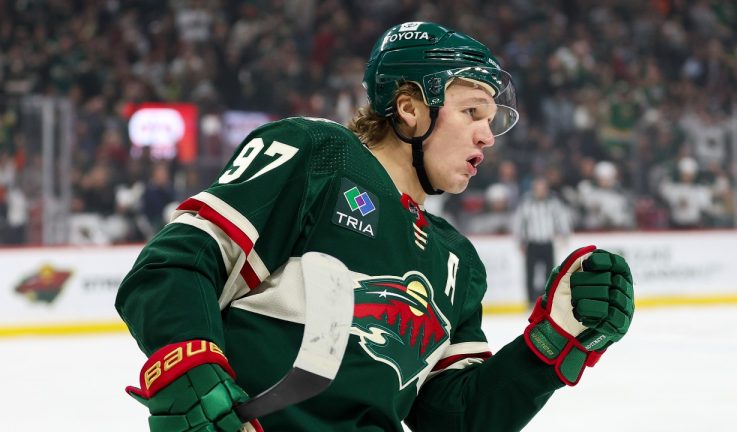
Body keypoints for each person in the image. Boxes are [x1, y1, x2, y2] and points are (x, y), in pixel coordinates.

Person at [116, 22, 635, 432]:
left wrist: (551, 343)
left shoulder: (457, 260)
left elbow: (454, 418)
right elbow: (175, 265)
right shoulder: (317, 154)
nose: (488, 135)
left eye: (493, 118)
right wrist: (191, 366)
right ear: (409, 108)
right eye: (473, 110)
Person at [512, 177, 572, 305]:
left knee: (550, 273)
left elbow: (561, 219)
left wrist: (564, 235)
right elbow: (519, 223)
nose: (540, 191)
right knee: (530, 273)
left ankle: (548, 299)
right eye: (537, 189)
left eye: (542, 189)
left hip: (547, 243)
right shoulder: (526, 203)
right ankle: (530, 301)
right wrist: (519, 241)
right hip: (532, 243)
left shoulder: (553, 203)